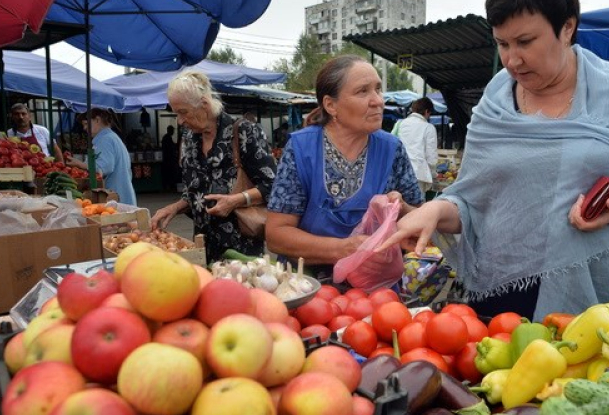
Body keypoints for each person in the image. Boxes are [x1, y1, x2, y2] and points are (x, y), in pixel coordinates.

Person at [378, 0, 609, 321]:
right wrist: (434, 210)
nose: (512, 60)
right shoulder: (496, 98)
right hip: (499, 298)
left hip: (599, 306)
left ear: (567, 28)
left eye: (525, 42)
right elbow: (474, 203)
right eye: (502, 44)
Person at [266, 54, 423, 281]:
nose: (378, 100)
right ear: (331, 105)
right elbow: (277, 235)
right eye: (362, 91)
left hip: (376, 293)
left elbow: (419, 225)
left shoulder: (393, 149)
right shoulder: (302, 148)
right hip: (307, 288)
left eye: (378, 90)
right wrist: (344, 249)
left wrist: (401, 209)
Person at [150, 70, 277, 263]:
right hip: (202, 244)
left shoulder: (244, 132)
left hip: (240, 248)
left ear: (205, 105)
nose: (180, 121)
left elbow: (273, 185)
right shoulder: (189, 138)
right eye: (176, 113)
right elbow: (196, 190)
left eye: (183, 112)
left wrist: (234, 200)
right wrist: (175, 207)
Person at [66, 109, 137, 206]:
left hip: (113, 199)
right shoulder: (111, 137)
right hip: (120, 197)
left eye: (86, 124)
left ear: (97, 120)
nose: (84, 128)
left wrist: (79, 164)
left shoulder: (105, 139)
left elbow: (104, 168)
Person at [395, 97, 438, 196]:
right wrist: (433, 175)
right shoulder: (429, 127)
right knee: (416, 209)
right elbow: (431, 158)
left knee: (401, 208)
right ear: (427, 111)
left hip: (401, 172)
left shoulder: (402, 124)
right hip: (419, 175)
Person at [161, 125, 178, 191]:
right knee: (169, 173)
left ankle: (169, 186)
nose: (173, 132)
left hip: (168, 159)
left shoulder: (167, 137)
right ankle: (169, 186)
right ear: (169, 130)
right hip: (168, 159)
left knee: (169, 173)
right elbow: (170, 148)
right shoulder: (167, 138)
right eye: (172, 130)